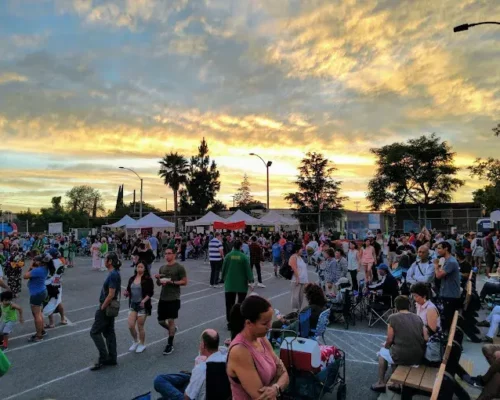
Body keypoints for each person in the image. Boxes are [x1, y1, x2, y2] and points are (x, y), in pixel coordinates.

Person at [227, 296, 289, 399]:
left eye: (270, 321)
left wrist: (276, 388)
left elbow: (285, 374)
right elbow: (263, 397)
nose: (269, 326)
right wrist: (277, 382)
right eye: (265, 323)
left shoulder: (261, 338)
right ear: (248, 323)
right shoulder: (240, 351)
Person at [371, 296, 427, 392]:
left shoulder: (392, 318)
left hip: (401, 355)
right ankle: (396, 383)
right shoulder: (418, 318)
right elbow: (426, 338)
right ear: (409, 306)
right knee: (395, 352)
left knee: (383, 354)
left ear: (396, 307)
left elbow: (389, 339)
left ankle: (381, 382)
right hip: (417, 356)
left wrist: (386, 346)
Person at [154, 329, 227, 400]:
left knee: (159, 380)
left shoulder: (201, 368)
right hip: (212, 388)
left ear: (203, 345)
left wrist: (197, 366)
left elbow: (187, 397)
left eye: (200, 342)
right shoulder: (226, 356)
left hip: (197, 391)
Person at [90, 252, 121, 371]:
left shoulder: (113, 274)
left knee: (94, 332)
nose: (104, 260)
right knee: (109, 332)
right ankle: (112, 357)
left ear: (110, 261)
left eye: (106, 259)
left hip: (106, 306)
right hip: (111, 307)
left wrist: (102, 307)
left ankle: (103, 357)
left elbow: (111, 294)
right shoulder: (115, 273)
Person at [154, 248, 188, 355]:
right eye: (165, 254)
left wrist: (171, 282)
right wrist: (158, 279)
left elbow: (184, 282)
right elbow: (159, 284)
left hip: (174, 297)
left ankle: (170, 344)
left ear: (174, 255)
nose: (167, 256)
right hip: (163, 297)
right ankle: (172, 330)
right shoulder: (162, 268)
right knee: (160, 321)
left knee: (171, 320)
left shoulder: (179, 267)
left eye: (169, 254)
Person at [221, 241, 254, 330]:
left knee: (229, 304)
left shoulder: (228, 256)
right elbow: (248, 270)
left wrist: (223, 278)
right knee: (240, 303)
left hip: (230, 284)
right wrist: (251, 280)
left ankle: (230, 322)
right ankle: (239, 321)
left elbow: (223, 268)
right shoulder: (244, 257)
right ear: (240, 246)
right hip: (241, 284)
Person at [124, 262, 154, 353]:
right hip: (133, 304)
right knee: (130, 325)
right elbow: (128, 290)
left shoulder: (147, 279)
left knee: (140, 326)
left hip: (142, 305)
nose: (139, 268)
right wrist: (127, 293)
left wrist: (144, 301)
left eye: (141, 267)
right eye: (138, 266)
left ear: (144, 269)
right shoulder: (132, 279)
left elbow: (150, 293)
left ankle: (142, 344)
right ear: (136, 268)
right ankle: (136, 341)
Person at [411, 283, 441, 364]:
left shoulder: (430, 308)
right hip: (423, 340)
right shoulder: (420, 305)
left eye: (416, 296)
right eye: (413, 296)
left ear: (424, 296)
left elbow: (431, 331)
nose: (414, 299)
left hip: (431, 346)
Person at [434, 241, 461, 332]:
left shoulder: (451, 262)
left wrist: (435, 266)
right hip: (446, 292)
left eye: (440, 248)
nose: (438, 250)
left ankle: (447, 337)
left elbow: (438, 275)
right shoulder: (446, 260)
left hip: (450, 294)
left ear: (446, 249)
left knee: (448, 319)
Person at [23, 254, 50, 342]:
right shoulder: (44, 269)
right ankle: (42, 331)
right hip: (42, 291)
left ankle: (39, 336)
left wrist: (31, 267)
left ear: (39, 262)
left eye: (35, 260)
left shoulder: (37, 270)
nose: (34, 261)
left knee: (36, 315)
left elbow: (25, 276)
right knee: (39, 313)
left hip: (36, 294)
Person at [289, 240, 309, 311]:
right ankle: (295, 311)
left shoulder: (300, 257)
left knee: (301, 297)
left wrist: (306, 281)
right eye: (301, 249)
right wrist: (297, 278)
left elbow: (304, 270)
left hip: (303, 280)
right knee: (295, 296)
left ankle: (299, 311)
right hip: (296, 280)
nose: (302, 250)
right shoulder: (293, 257)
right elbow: (294, 268)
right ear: (297, 250)